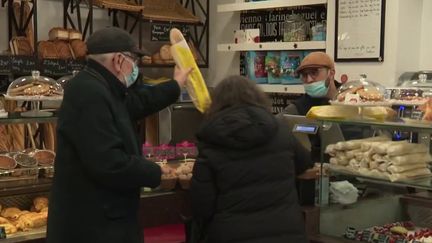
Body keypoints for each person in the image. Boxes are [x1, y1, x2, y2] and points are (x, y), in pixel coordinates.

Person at [46, 27, 191, 243]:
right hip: (92, 228)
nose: (136, 67)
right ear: (118, 60)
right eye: (134, 60)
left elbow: (139, 101)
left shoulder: (103, 86)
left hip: (104, 222)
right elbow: (109, 163)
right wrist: (157, 171)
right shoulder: (89, 93)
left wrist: (176, 85)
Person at [190, 75, 310, 243]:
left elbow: (201, 206)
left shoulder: (211, 142)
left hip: (231, 233)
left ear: (216, 103)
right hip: (287, 232)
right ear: (257, 97)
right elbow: (305, 163)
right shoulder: (280, 130)